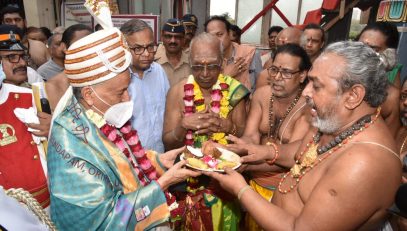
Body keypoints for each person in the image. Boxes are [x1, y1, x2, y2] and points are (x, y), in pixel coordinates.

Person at [205, 41, 402, 230]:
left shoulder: (365, 163)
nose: (306, 92)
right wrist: (258, 151)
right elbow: (300, 154)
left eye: (316, 86)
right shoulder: (334, 122)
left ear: (353, 95)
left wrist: (240, 189)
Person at [47, 3, 200, 230]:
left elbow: (123, 157)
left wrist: (158, 161)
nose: (128, 98)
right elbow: (101, 220)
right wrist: (162, 184)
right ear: (89, 94)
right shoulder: (71, 142)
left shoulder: (101, 112)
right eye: (120, 92)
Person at [162, 32, 249, 230]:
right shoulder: (178, 91)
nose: (205, 73)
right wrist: (184, 126)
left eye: (212, 66)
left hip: (224, 183)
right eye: (198, 66)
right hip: (186, 184)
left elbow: (245, 141)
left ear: (222, 61)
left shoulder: (235, 91)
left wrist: (228, 127)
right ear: (189, 61)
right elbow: (167, 141)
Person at [230, 44, 312, 230]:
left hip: (288, 192)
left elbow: (293, 158)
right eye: (274, 70)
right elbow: (251, 135)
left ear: (302, 75)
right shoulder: (261, 94)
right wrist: (237, 150)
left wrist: (243, 162)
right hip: (256, 185)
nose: (277, 78)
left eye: (286, 73)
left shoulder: (309, 107)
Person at [0, 25, 49, 209]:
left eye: (22, 56)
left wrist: (53, 130)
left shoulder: (32, 96)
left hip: (45, 202)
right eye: (11, 57)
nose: (21, 63)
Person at [120, 19, 169, 153]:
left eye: (150, 47)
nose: (146, 54)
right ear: (123, 48)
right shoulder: (117, 80)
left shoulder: (158, 71)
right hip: (132, 160)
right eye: (138, 48)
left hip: (161, 156)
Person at [205, 15, 262, 93]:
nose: (216, 40)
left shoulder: (251, 54)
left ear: (229, 34)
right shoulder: (205, 60)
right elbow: (205, 93)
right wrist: (225, 76)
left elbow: (261, 89)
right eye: (211, 36)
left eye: (220, 34)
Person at [45, 24, 92, 111]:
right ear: (64, 47)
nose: (87, 49)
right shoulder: (54, 86)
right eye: (80, 45)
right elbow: (58, 120)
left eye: (92, 44)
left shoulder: (108, 77)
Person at [356, 21, 402, 88]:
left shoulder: (391, 93)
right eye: (360, 46)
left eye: (373, 49)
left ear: (390, 54)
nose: (363, 52)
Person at [155, 18, 191, 87]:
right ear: (162, 38)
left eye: (177, 37)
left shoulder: (192, 64)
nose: (173, 41)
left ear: (184, 39)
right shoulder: (153, 63)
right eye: (168, 36)